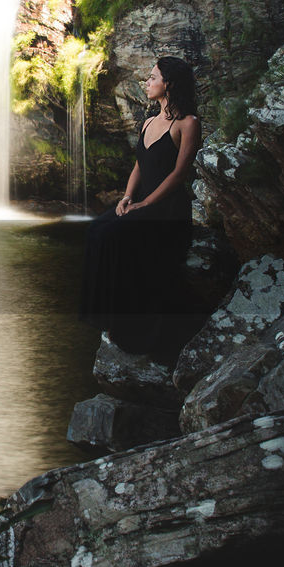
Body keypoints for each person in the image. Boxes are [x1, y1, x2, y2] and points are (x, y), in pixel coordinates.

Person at [80, 55, 202, 354]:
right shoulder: (148, 122)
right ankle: (103, 315)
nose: (147, 82)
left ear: (168, 84)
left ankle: (129, 324)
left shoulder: (188, 124)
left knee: (115, 236)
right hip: (141, 202)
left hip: (168, 210)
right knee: (97, 229)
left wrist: (145, 203)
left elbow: (178, 174)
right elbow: (139, 165)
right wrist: (126, 198)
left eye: (153, 77)